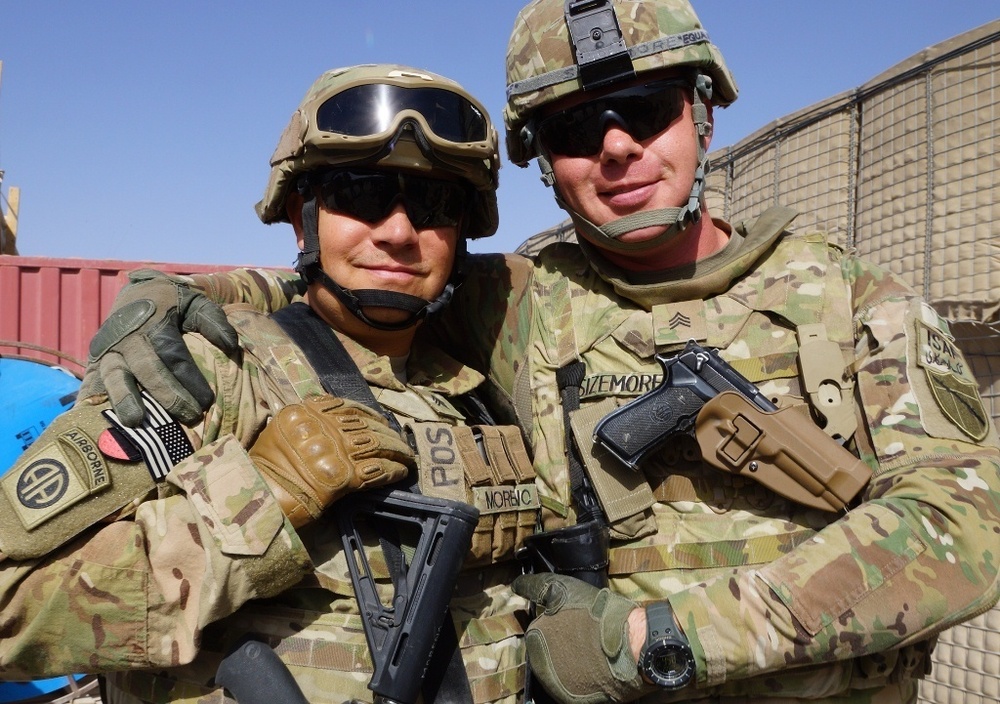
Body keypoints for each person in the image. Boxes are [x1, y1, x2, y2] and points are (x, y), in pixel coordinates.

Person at [82, 1, 1000, 702]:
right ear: (542, 160)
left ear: (702, 116)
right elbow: (363, 273)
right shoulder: (514, 297)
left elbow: (964, 528)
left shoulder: (853, 299)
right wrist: (182, 299)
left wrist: (659, 638)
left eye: (645, 110)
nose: (616, 148)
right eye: (573, 130)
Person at [0, 64, 537, 704]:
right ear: (300, 219)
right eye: (360, 196)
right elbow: (11, 610)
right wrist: (263, 498)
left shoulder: (477, 387)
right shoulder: (209, 375)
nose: (398, 233)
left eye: (433, 205)